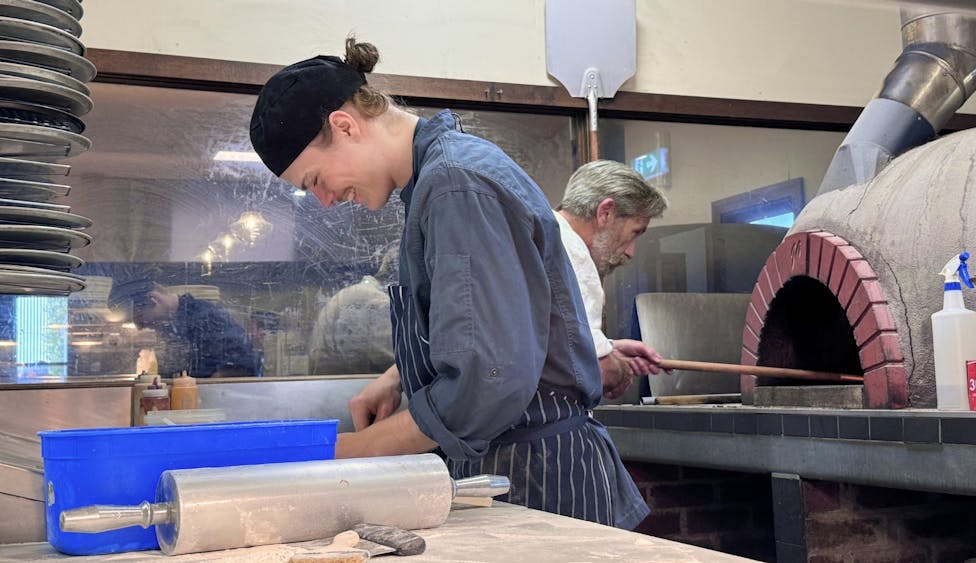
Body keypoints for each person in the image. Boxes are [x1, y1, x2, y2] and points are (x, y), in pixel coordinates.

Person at [249, 36, 648, 529]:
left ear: (345, 125)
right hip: (510, 469)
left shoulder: (456, 185)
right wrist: (399, 377)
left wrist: (348, 452)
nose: (326, 201)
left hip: (537, 479)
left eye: (314, 181)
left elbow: (487, 383)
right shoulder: (435, 179)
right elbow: (495, 324)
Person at [555, 160, 669, 400]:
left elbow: (556, 346)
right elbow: (595, 373)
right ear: (605, 213)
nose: (631, 252)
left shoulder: (544, 236)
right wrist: (618, 368)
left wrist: (609, 347)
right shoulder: (570, 255)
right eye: (635, 232)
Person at [108, 276, 256, 378]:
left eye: (142, 321)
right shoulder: (174, 322)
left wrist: (211, 388)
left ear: (154, 300)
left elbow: (242, 362)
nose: (141, 327)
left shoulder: (205, 316)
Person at [308, 246, 397, 375]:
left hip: (332, 383)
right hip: (343, 385)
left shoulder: (358, 292)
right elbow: (393, 359)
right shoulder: (375, 299)